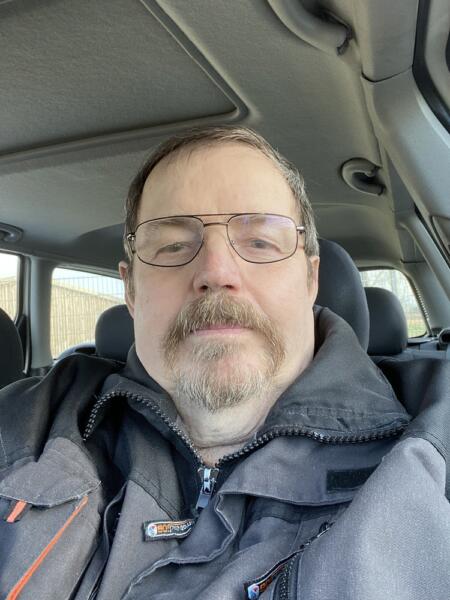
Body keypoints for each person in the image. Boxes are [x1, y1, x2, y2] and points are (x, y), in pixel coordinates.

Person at [1, 126, 449, 600]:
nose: (216, 272)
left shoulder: (431, 439)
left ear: (310, 279)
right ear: (131, 290)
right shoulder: (27, 424)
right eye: (173, 245)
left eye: (260, 241)